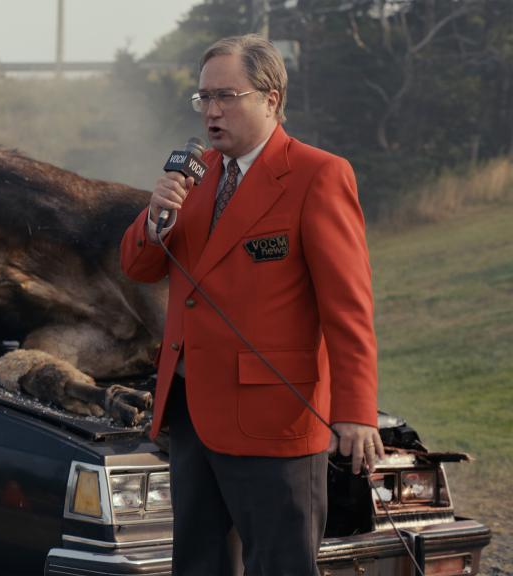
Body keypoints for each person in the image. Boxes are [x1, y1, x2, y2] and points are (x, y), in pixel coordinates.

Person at [120, 35, 384, 575]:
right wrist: (156, 217)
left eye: (226, 96)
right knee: (198, 563)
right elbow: (138, 267)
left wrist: (355, 412)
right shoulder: (194, 177)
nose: (212, 112)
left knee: (280, 566)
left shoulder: (318, 175)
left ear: (271, 97)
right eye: (203, 98)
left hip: (276, 416)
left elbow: (348, 307)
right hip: (192, 412)